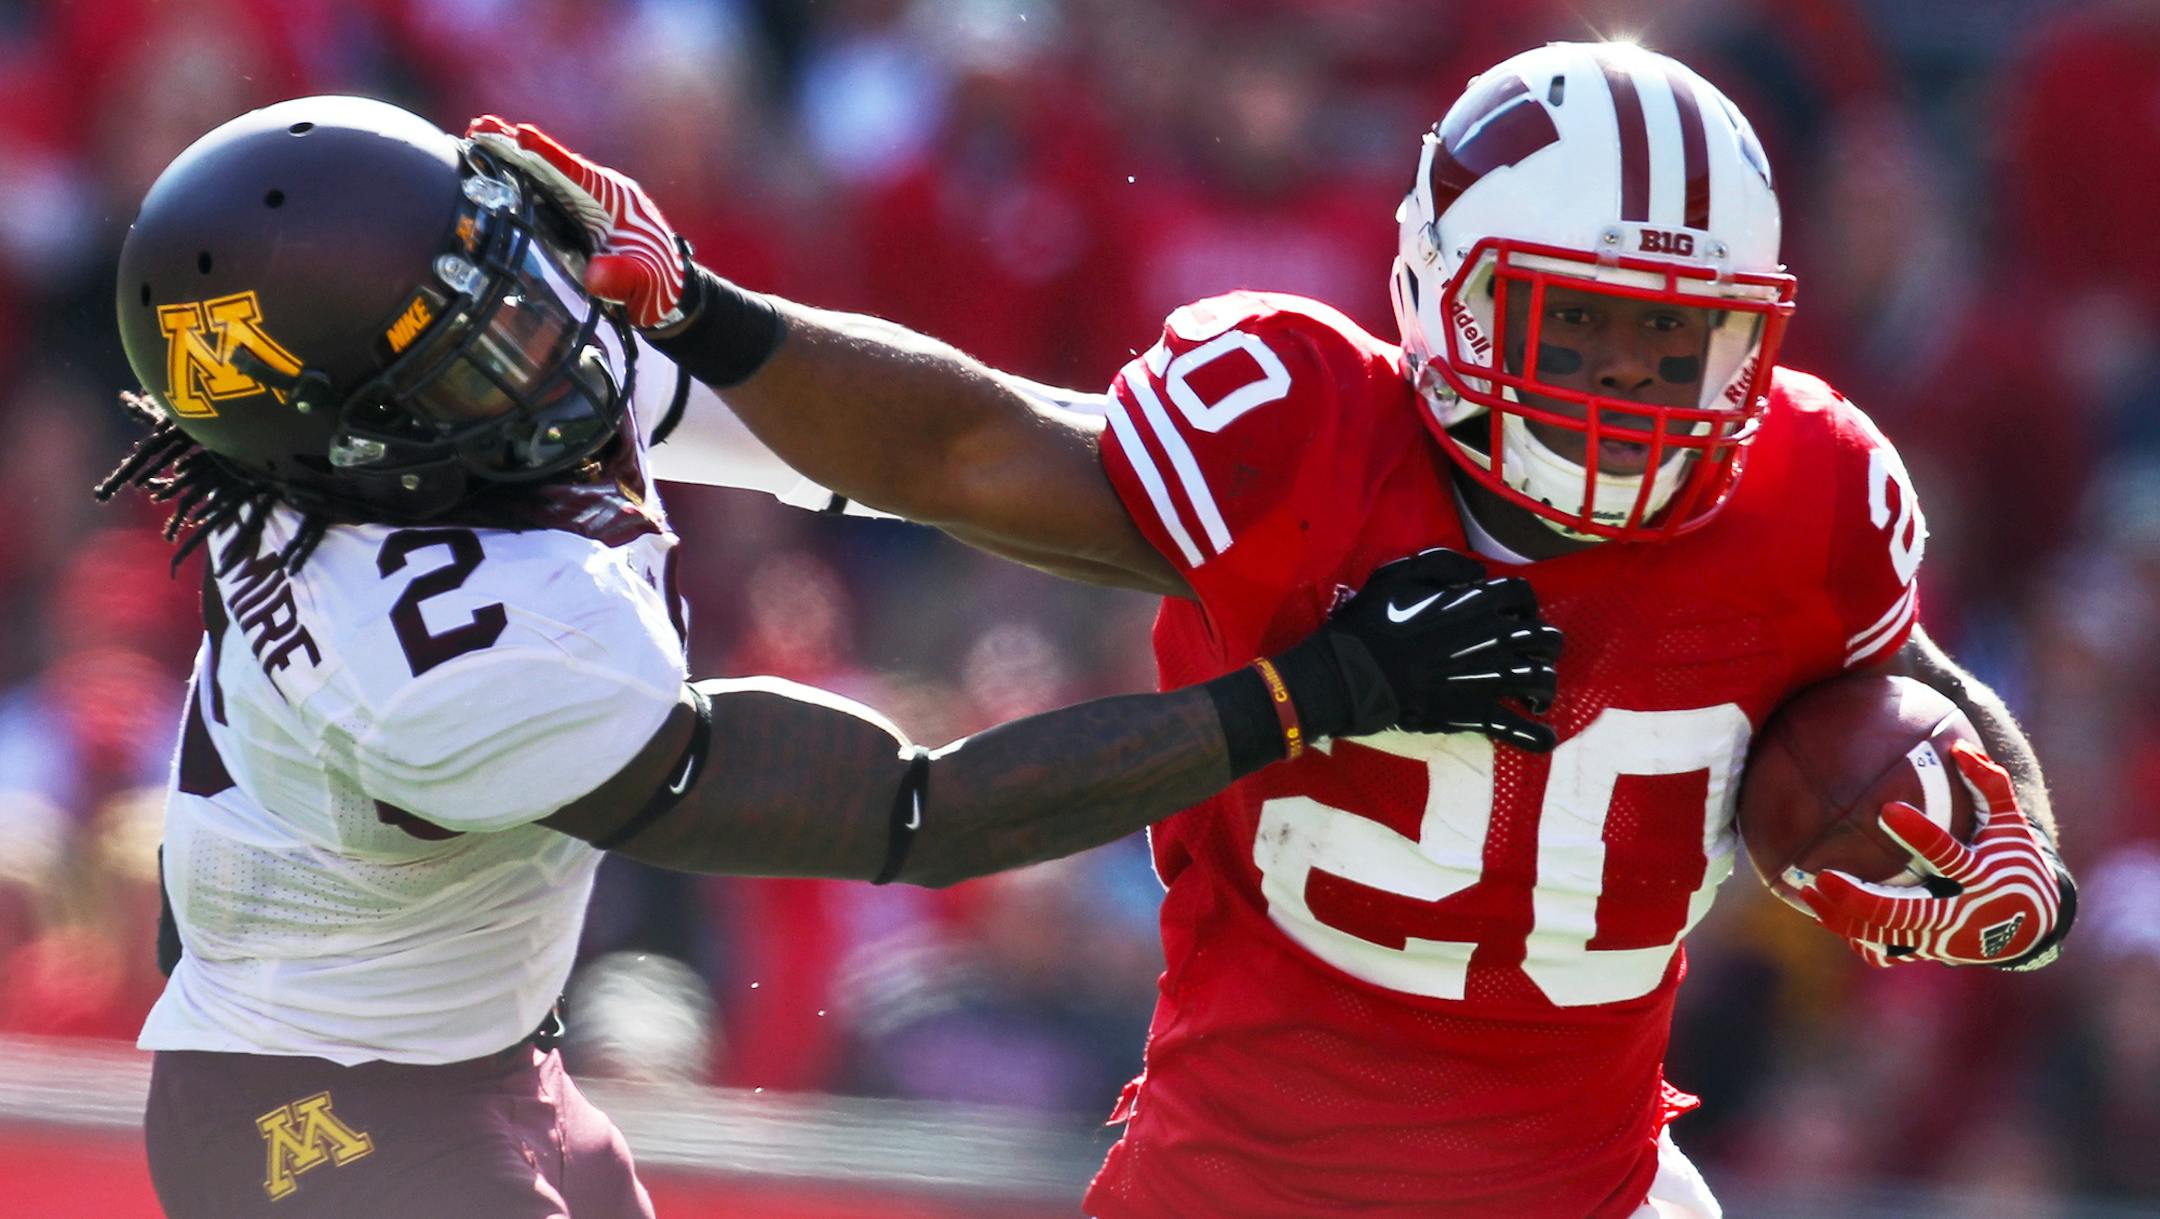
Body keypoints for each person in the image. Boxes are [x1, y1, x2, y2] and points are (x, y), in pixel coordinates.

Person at [471, 37, 2081, 1219]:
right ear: (1444, 291)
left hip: (1592, 1187)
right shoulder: (1304, 424)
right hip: (1249, 1190)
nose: (1624, 396)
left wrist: (2010, 854)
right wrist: (712, 316)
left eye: (1678, 348)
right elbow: (973, 447)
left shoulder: (1810, 487)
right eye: (1574, 326)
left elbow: (1904, 684)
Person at [104, 96, 1567, 1219]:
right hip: (310, 1128)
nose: (552, 347)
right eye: (481, 356)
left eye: (508, 283)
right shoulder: (449, 659)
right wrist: (1317, 696)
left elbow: (930, 455)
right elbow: (918, 814)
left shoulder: (411, 424)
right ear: (360, 444)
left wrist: (1273, 506)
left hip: (484, 1064)